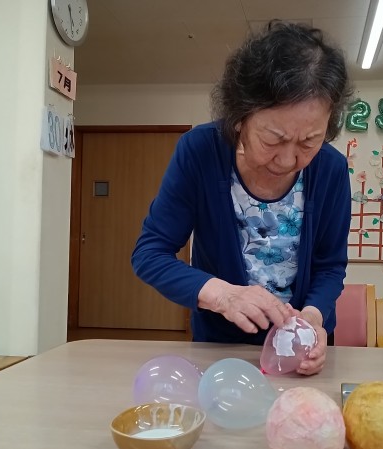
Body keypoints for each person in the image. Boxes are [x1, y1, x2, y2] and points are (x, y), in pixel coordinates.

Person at [131, 20, 353, 376]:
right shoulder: (200, 152)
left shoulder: (331, 169)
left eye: (309, 141)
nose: (288, 160)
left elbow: (330, 266)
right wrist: (224, 295)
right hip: (221, 349)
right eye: (273, 139)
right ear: (239, 118)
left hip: (301, 353)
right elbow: (150, 253)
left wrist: (312, 319)